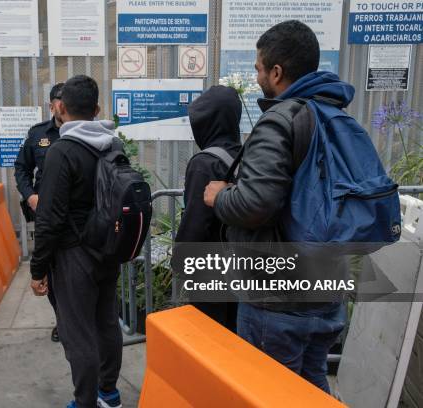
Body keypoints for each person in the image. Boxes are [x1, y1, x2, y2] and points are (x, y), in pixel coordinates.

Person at [203, 20, 347, 393]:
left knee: (268, 391)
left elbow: (255, 203)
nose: (256, 75)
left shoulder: (280, 120)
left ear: (277, 72)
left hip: (279, 301)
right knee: (312, 385)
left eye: (258, 68)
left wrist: (220, 195)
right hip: (327, 289)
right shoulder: (336, 115)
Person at [30, 75, 123, 408]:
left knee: (77, 332)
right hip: (107, 250)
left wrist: (38, 268)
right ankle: (108, 394)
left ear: (60, 108)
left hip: (73, 256)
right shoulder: (114, 144)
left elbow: (50, 218)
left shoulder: (62, 151)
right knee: (106, 322)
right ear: (97, 109)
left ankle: (84, 401)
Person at [175, 85, 241, 331]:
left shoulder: (204, 163)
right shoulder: (246, 154)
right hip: (241, 267)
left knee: (210, 337)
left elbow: (195, 221)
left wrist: (180, 262)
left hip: (209, 270)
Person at [14, 83, 64, 343]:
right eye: (58, 100)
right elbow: (21, 168)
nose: (62, 104)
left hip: (76, 217)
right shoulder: (38, 134)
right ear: (51, 104)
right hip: (46, 214)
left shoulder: (85, 133)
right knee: (51, 271)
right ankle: (62, 319)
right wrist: (30, 195)